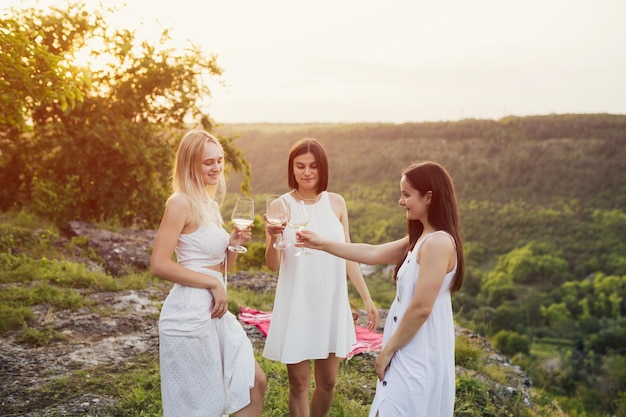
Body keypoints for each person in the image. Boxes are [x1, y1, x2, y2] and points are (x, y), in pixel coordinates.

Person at [297, 161, 465, 417]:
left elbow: (421, 308)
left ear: (429, 197)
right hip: (406, 346)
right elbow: (372, 252)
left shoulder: (438, 243)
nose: (401, 201)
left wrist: (387, 351)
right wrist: (321, 243)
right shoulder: (420, 239)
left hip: (419, 351)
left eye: (406, 195)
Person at [150, 130, 266, 417]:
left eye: (219, 161)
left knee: (255, 383)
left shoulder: (210, 206)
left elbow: (221, 267)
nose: (216, 168)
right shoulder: (180, 203)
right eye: (208, 162)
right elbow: (159, 264)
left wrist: (233, 245)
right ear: (191, 165)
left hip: (214, 311)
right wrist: (211, 285)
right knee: (202, 405)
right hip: (190, 312)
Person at [263, 137, 379, 417]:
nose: (306, 172)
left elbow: (348, 253)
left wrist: (366, 297)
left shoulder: (336, 203)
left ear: (322, 168)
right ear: (291, 169)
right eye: (300, 166)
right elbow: (272, 265)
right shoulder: (280, 206)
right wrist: (271, 238)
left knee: (328, 382)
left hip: (331, 302)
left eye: (313, 166)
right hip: (298, 301)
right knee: (299, 383)